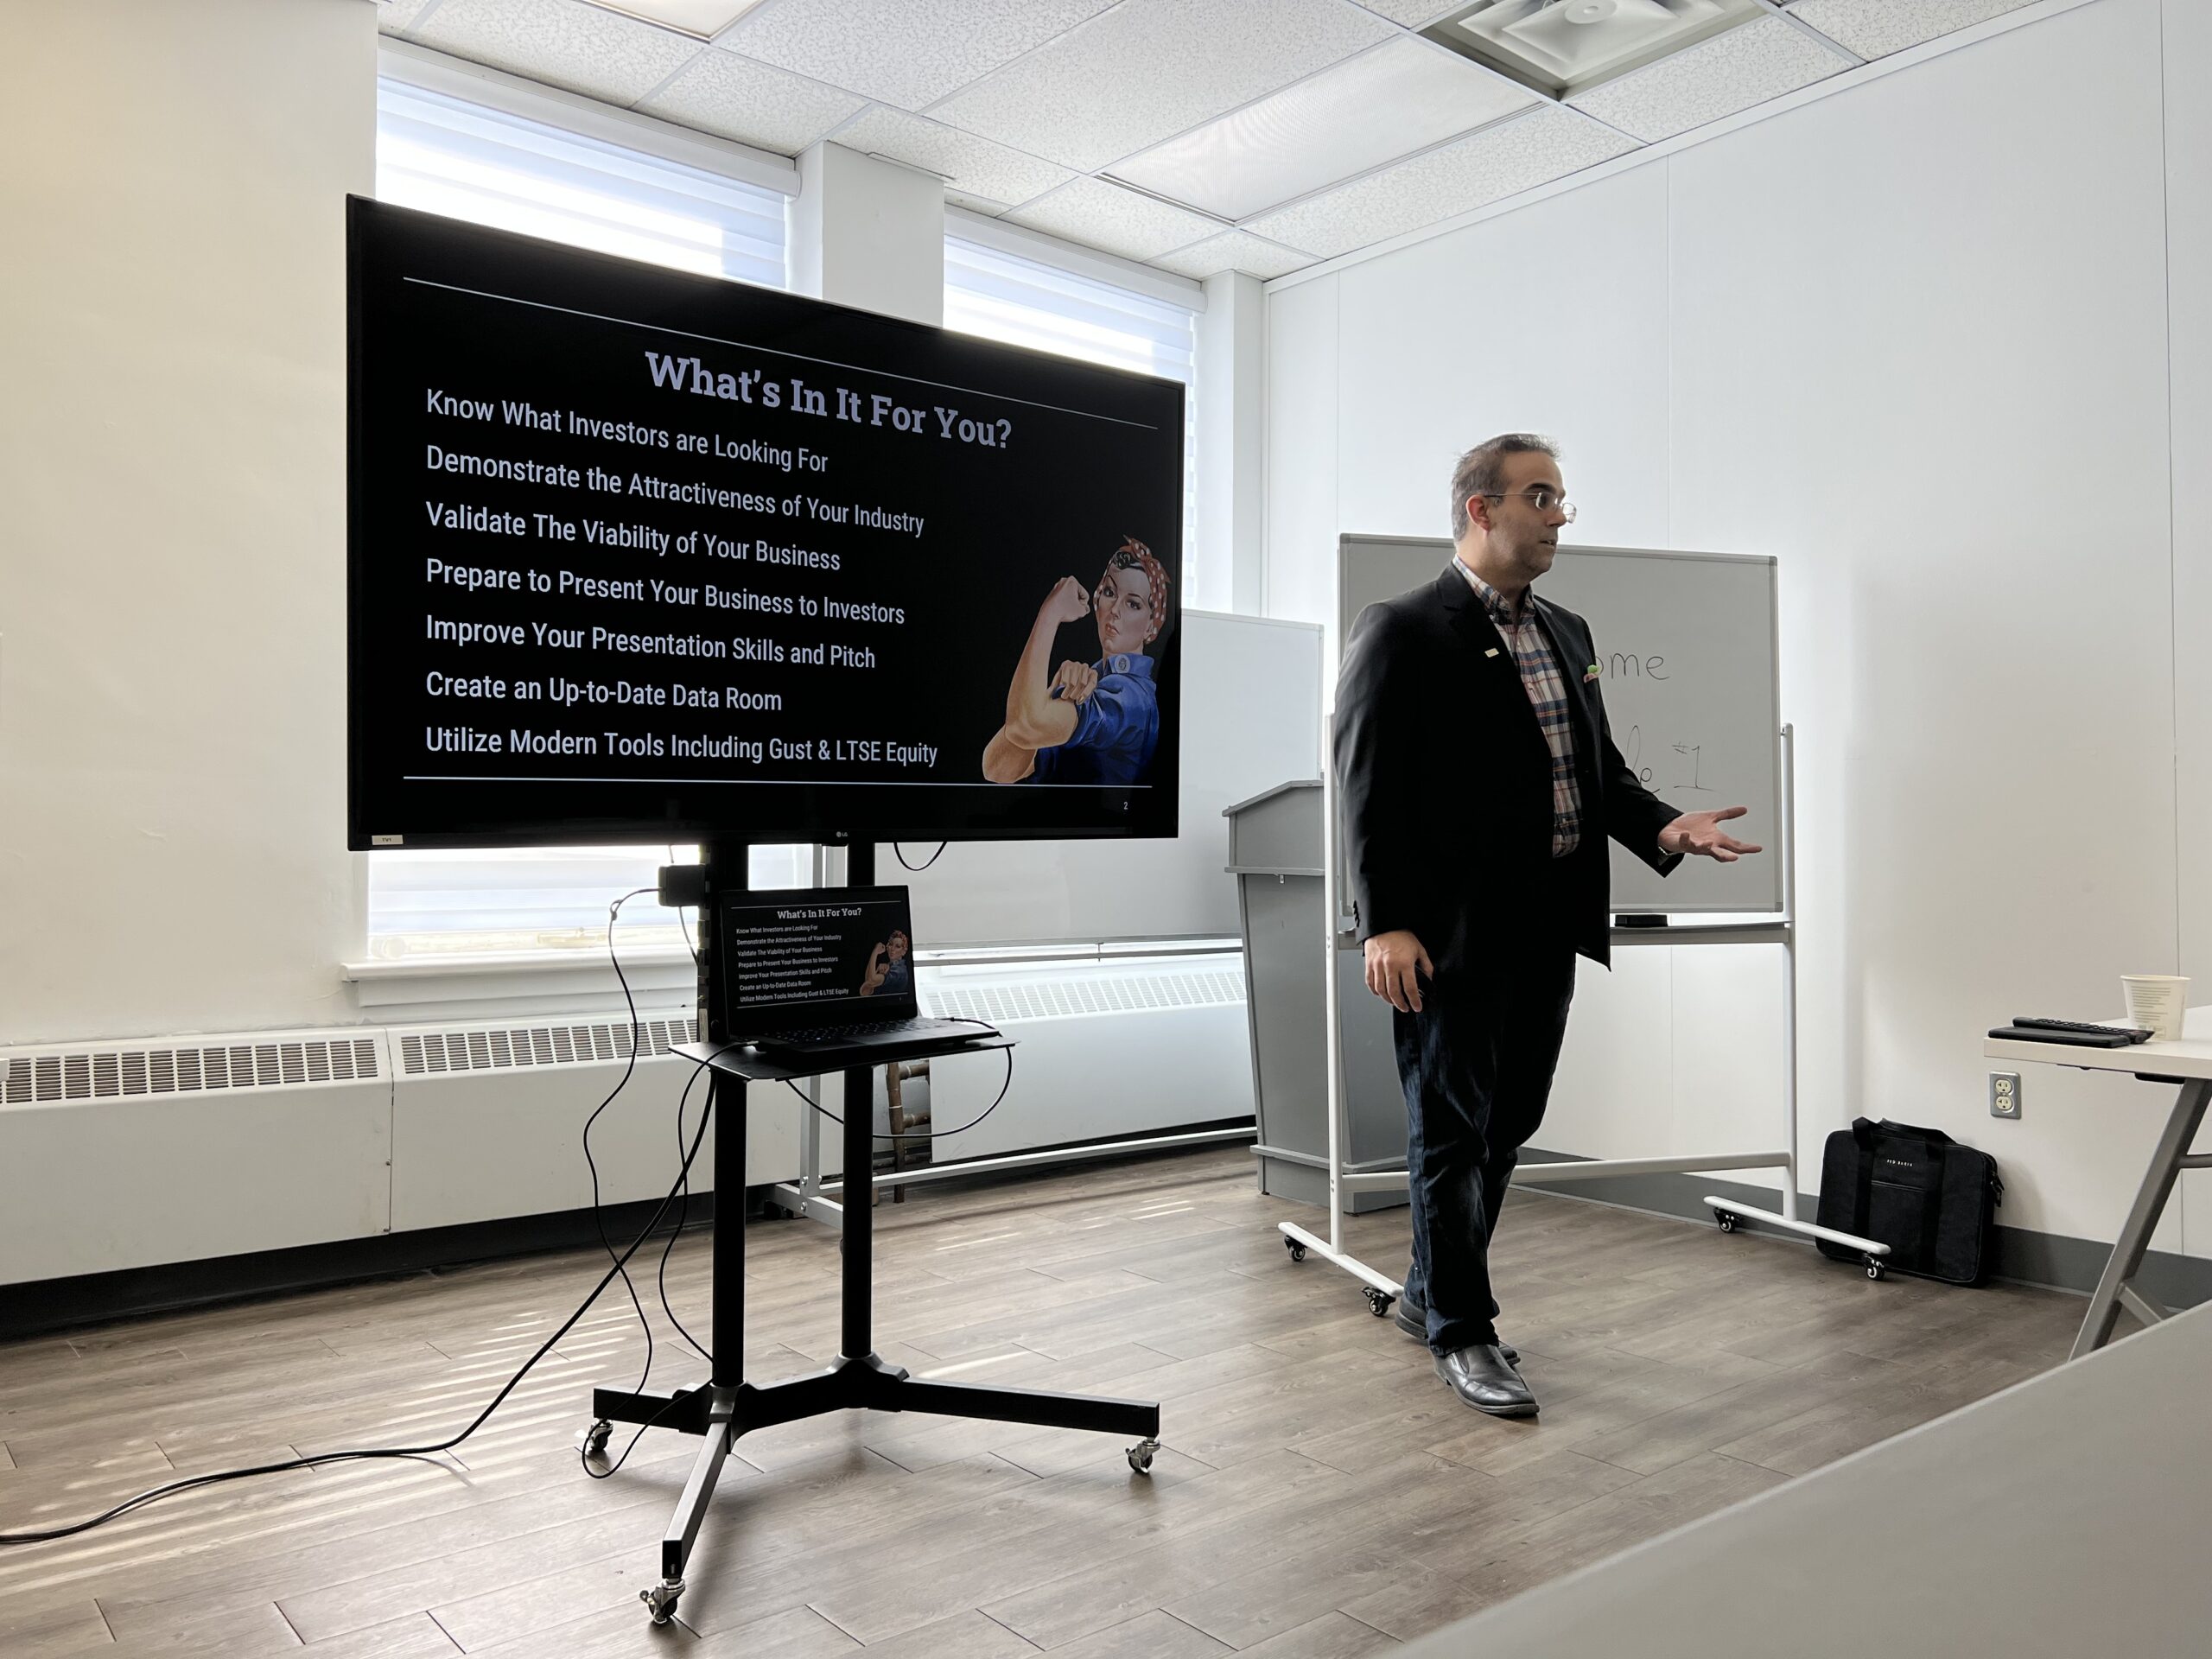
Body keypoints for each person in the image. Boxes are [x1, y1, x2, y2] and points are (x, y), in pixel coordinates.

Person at [1333, 434, 1762, 1418]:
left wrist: (1665, 825)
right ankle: (1463, 1330)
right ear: (1480, 510)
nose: (1559, 515)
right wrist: (1384, 923)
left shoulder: (1567, 628)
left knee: (1508, 1124)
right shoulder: (1402, 627)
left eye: (1562, 498)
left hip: (1548, 925)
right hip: (1444, 934)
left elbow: (1594, 773)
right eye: (1540, 496)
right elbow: (1368, 787)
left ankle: (1426, 1292)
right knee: (1449, 1130)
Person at [982, 537, 1169, 785]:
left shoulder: (1133, 697)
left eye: (1133, 604)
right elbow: (997, 769)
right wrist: (1050, 695)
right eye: (1110, 592)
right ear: (1097, 599)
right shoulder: (1093, 682)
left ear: (1151, 625)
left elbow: (1024, 727)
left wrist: (1050, 614)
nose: (1114, 610)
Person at [858, 928, 912, 999]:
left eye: (897, 946)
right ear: (887, 946)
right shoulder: (889, 967)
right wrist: (877, 971)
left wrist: (875, 952)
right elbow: (865, 991)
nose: (892, 948)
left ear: (904, 951)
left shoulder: (899, 971)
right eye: (891, 944)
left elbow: (871, 981)